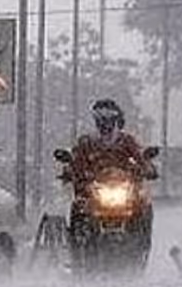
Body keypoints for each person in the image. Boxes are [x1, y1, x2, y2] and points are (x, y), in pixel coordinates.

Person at [65, 98, 156, 246]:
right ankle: (78, 244)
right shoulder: (87, 142)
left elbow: (140, 157)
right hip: (94, 190)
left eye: (108, 117)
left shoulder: (127, 141)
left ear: (116, 119)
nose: (104, 122)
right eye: (100, 118)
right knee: (79, 207)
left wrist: (148, 168)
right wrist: (70, 170)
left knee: (143, 205)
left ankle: (141, 242)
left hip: (124, 191)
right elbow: (76, 160)